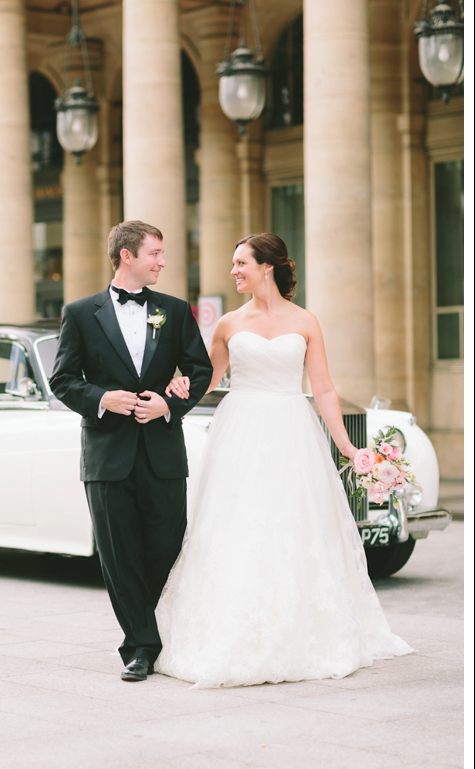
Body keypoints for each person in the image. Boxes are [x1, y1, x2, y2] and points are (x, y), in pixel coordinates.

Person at [155, 233, 413, 688]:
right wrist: (173, 394)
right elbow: (207, 378)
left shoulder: (306, 321)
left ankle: (300, 630)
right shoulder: (229, 324)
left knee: (294, 524)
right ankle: (233, 631)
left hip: (292, 428)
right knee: (239, 523)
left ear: (267, 267)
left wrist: (349, 448)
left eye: (241, 263)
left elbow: (325, 389)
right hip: (240, 431)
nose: (233, 271)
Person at [49, 221, 212, 682]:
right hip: (106, 454)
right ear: (127, 256)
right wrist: (103, 399)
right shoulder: (81, 313)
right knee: (118, 553)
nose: (162, 261)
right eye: (155, 253)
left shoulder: (175, 311)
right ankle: (140, 645)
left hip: (162, 450)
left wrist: (169, 403)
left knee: (167, 542)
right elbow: (62, 379)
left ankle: (144, 628)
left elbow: (200, 370)